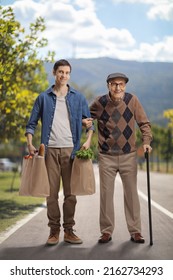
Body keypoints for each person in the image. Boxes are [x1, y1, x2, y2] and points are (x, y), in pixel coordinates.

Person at [25, 59, 93, 246]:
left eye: (67, 72)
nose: (64, 75)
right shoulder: (43, 98)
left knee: (71, 194)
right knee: (51, 194)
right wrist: (30, 144)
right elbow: (31, 124)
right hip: (49, 151)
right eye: (60, 72)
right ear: (54, 73)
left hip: (71, 151)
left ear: (69, 75)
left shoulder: (78, 98)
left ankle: (69, 230)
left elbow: (89, 123)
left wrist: (87, 141)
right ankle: (54, 231)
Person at [87, 72, 152, 244]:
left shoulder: (132, 100)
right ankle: (106, 232)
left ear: (125, 86)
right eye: (114, 84)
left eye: (121, 84)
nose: (118, 87)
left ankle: (135, 231)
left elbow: (144, 123)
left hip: (129, 155)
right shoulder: (100, 102)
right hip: (106, 156)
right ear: (108, 85)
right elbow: (86, 117)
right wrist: (85, 122)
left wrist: (146, 142)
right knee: (106, 195)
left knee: (131, 194)